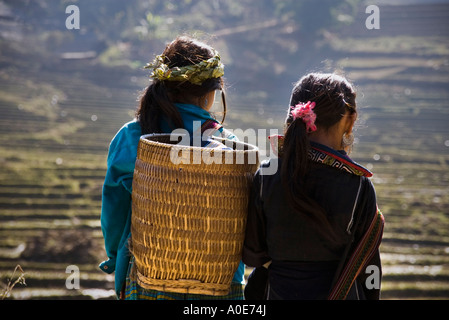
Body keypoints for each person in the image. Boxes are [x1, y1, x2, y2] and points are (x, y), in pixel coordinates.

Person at [99, 36, 245, 300]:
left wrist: (114, 255)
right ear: (211, 94)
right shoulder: (228, 145)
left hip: (149, 278)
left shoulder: (131, 138)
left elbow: (115, 213)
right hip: (218, 284)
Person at [243, 73, 384, 300]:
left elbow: (253, 254)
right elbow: (370, 268)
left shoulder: (266, 176)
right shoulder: (358, 186)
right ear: (350, 119)